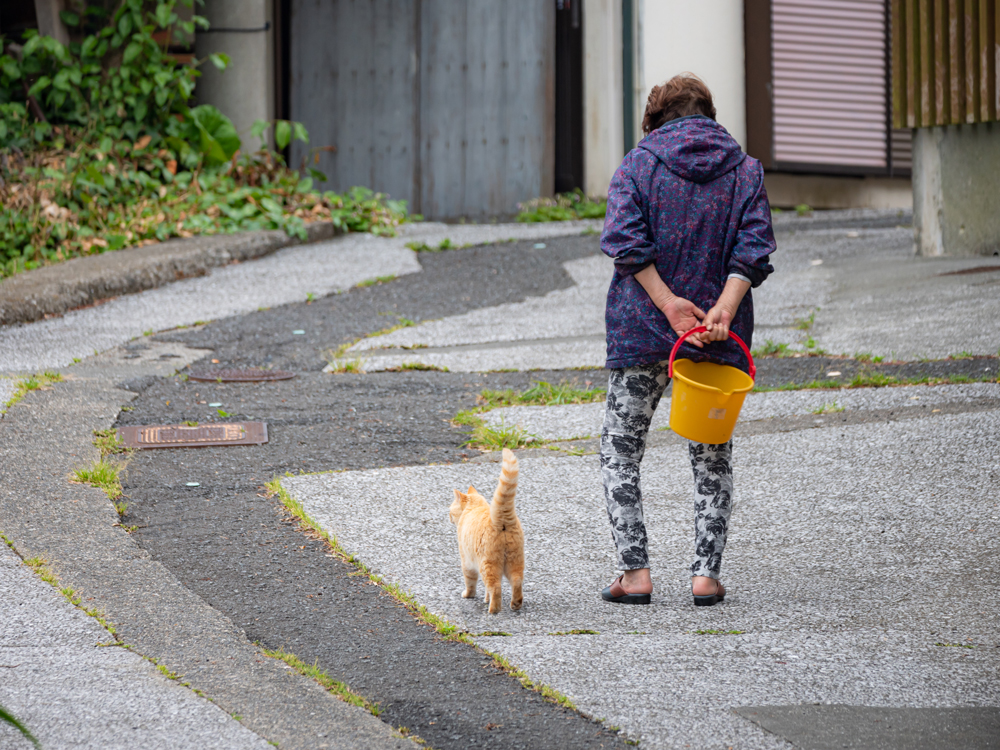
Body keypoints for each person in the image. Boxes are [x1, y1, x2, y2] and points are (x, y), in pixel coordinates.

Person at [598, 73, 775, 606]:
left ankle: (635, 574)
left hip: (643, 330)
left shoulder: (637, 164)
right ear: (710, 115)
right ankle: (705, 576)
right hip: (717, 337)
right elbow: (755, 247)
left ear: (654, 119)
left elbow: (625, 245)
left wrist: (668, 304)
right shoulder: (745, 170)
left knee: (620, 450)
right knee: (711, 455)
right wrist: (723, 307)